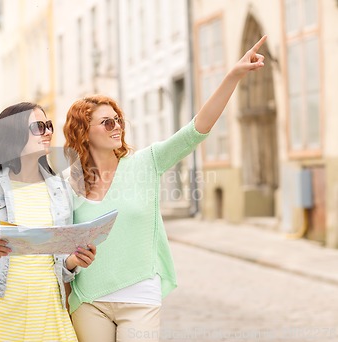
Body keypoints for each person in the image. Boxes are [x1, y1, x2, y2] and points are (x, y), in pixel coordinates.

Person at [63, 36, 268, 341]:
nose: (117, 126)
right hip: (88, 300)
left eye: (118, 119)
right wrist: (70, 262)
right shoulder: (68, 183)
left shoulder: (147, 162)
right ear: (83, 133)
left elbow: (196, 130)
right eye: (106, 123)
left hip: (139, 296)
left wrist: (233, 75)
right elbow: (60, 248)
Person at [0, 102, 96, 342]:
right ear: (14, 132)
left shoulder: (60, 188)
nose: (47, 132)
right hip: (1, 305)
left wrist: (75, 260)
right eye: (38, 126)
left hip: (47, 305)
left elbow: (61, 258)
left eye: (48, 126)